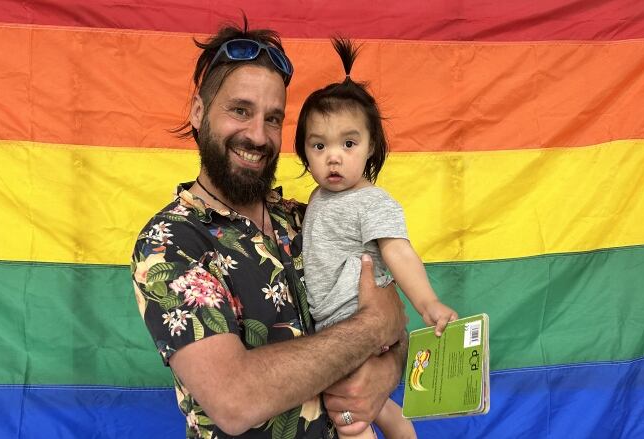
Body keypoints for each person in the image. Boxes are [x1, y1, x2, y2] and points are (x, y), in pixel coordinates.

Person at [130, 19, 408, 438]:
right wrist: (369, 330)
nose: (258, 135)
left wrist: (383, 373)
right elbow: (236, 399)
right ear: (199, 111)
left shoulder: (309, 218)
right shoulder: (168, 244)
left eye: (273, 118)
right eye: (240, 110)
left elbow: (396, 321)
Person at [294, 39, 459, 439]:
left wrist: (427, 302)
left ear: (371, 149)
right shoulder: (316, 197)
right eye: (319, 146)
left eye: (348, 144)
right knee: (378, 404)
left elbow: (398, 251)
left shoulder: (372, 202)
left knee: (349, 418)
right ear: (304, 152)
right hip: (335, 325)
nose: (334, 157)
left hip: (354, 322)